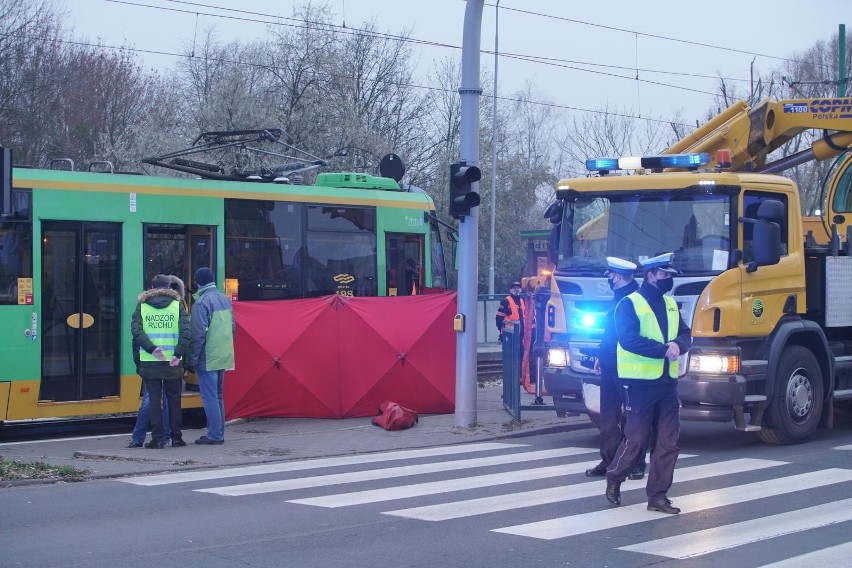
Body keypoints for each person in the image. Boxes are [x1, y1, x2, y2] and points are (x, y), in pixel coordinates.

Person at [605, 252, 691, 514]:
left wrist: (679, 344)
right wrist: (664, 350)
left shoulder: (670, 304)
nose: (668, 280)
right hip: (639, 384)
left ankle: (658, 496)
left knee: (668, 442)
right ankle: (615, 476)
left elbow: (686, 333)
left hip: (667, 383)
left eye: (670, 276)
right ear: (651, 275)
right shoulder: (629, 304)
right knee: (637, 440)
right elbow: (628, 339)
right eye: (664, 275)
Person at [585, 257, 643, 477]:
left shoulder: (636, 299)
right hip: (610, 364)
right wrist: (601, 355)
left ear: (617, 276)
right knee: (608, 417)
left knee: (633, 417)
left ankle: (636, 464)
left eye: (610, 275)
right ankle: (610, 461)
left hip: (629, 367)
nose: (608, 278)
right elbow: (610, 331)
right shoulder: (618, 297)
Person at [130, 274, 190, 449]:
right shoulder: (177, 305)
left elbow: (136, 331)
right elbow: (186, 333)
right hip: (173, 361)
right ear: (169, 287)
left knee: (155, 401)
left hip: (150, 361)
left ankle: (157, 440)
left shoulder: (142, 306)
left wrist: (152, 349)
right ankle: (176, 438)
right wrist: (177, 354)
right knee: (174, 400)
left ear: (151, 287)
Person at [186, 267, 235, 445]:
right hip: (224, 355)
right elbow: (233, 329)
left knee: (209, 397)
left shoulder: (201, 304)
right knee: (219, 396)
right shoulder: (224, 299)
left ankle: (214, 435)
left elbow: (197, 336)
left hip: (208, 357)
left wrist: (191, 360)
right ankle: (219, 433)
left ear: (198, 282)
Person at [496, 281, 525, 354]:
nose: (516, 289)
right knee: (510, 354)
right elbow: (499, 318)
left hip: (520, 332)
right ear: (510, 290)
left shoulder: (522, 301)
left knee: (520, 352)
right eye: (514, 288)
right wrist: (501, 332)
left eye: (518, 288)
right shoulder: (506, 301)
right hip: (509, 332)